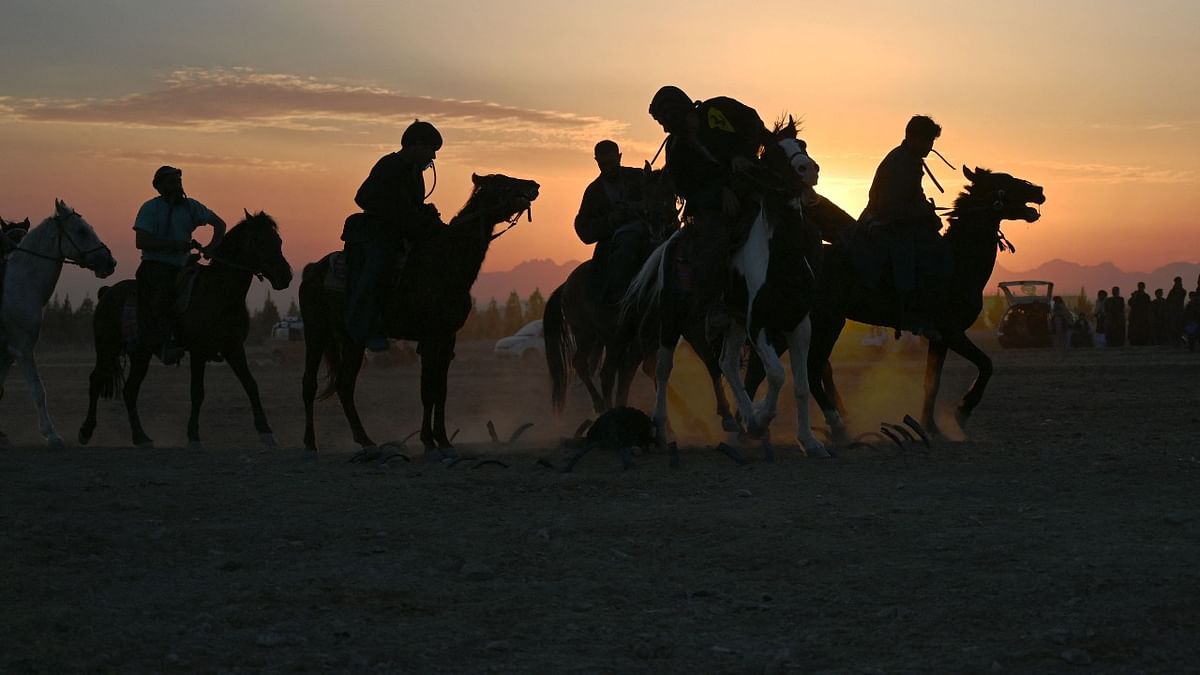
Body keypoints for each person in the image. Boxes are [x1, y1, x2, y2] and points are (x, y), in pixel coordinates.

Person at [647, 85, 769, 315]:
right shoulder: (675, 148)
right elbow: (686, 188)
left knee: (807, 207)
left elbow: (752, 124)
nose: (664, 129)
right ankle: (714, 307)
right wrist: (720, 192)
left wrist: (741, 155)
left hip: (758, 180)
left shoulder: (718, 108)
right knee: (713, 244)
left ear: (676, 112)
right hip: (714, 208)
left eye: (664, 120)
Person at [342, 120, 444, 352]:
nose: (433, 158)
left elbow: (413, 205)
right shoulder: (388, 165)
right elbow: (363, 198)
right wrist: (397, 215)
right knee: (379, 267)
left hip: (405, 232)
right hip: (378, 234)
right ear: (416, 145)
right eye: (431, 150)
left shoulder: (415, 173)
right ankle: (365, 327)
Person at [859, 115, 950, 337]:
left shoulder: (910, 160)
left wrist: (927, 213)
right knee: (908, 253)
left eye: (931, 142)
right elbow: (890, 203)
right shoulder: (900, 161)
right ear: (912, 137)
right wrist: (922, 214)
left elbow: (914, 196)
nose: (929, 147)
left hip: (900, 220)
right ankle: (911, 313)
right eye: (926, 141)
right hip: (885, 222)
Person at [133, 165, 226, 365]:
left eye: (179, 181)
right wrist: (174, 245)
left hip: (183, 265)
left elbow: (220, 224)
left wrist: (211, 247)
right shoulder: (150, 208)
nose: (178, 186)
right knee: (165, 295)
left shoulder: (191, 206)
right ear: (159, 187)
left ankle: (208, 339)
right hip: (155, 266)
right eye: (172, 182)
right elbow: (141, 241)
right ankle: (163, 342)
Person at [574, 140, 652, 306]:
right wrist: (611, 219)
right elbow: (583, 229)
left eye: (610, 163)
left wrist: (638, 207)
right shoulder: (594, 191)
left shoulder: (638, 177)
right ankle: (621, 300)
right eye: (603, 164)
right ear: (596, 161)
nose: (607, 168)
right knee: (626, 247)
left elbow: (655, 200)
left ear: (619, 157)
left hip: (650, 231)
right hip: (616, 242)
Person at [1127, 281, 1151, 346]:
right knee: (1135, 330)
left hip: (1143, 316)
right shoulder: (1135, 295)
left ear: (1144, 287)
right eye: (1140, 286)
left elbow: (1148, 306)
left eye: (1142, 286)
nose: (1141, 288)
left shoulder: (1146, 296)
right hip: (1135, 316)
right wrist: (1134, 296)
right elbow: (1130, 303)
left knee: (1143, 330)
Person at [1166, 276, 1187, 345]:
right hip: (1173, 312)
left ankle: (1178, 340)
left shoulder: (1182, 291)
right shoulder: (1173, 291)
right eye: (1176, 282)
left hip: (1179, 311)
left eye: (1178, 282)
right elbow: (1168, 300)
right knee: (1173, 326)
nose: (1177, 283)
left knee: (1179, 326)